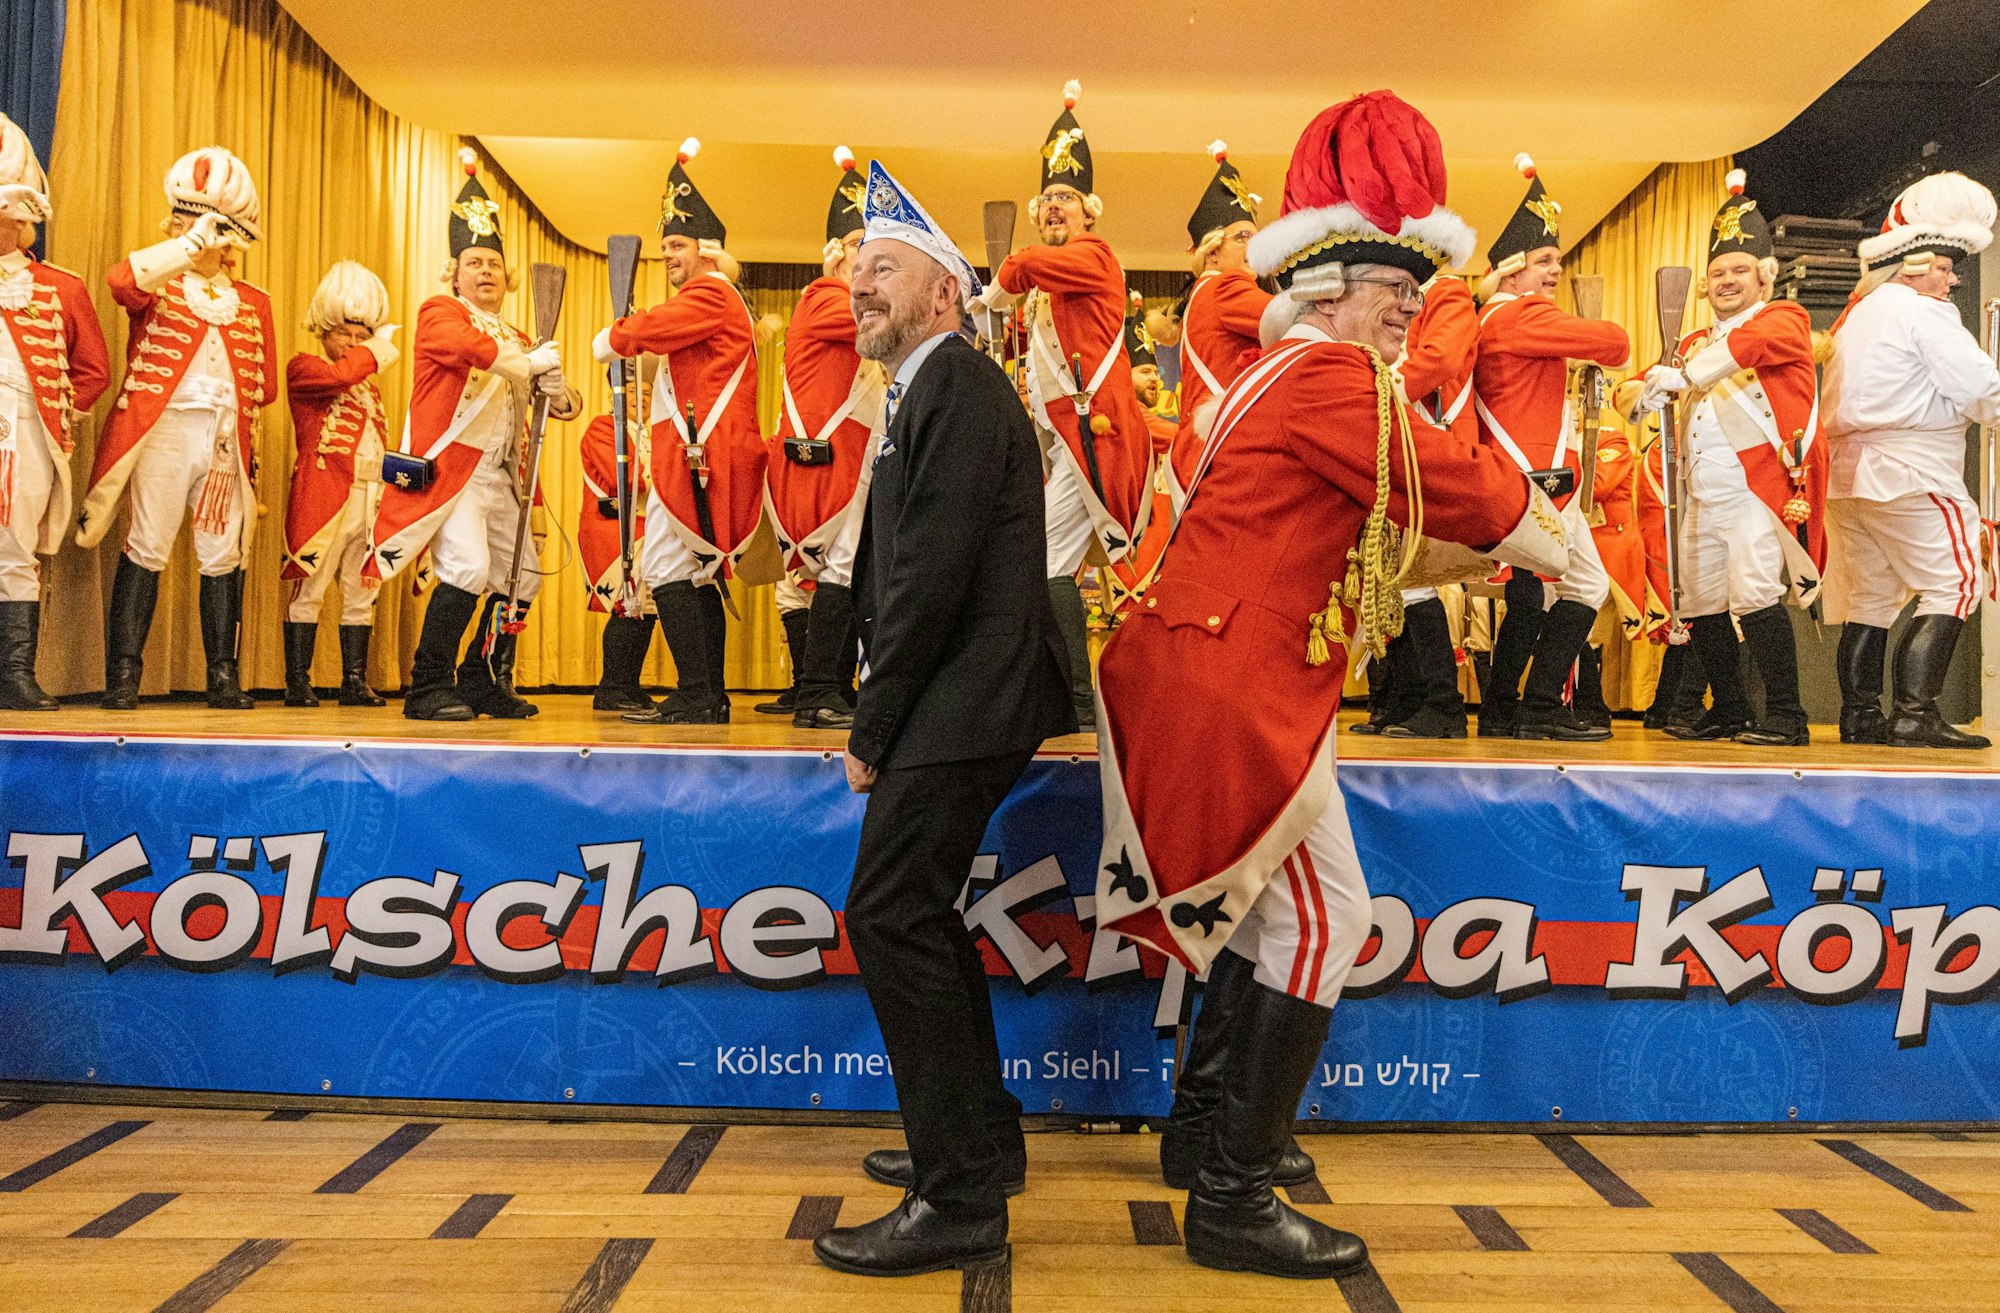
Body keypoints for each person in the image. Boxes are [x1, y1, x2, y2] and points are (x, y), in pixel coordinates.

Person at [1096, 92, 1566, 1280]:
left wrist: (1500, 539)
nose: (1410, 305)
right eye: (1390, 284)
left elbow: (1381, 534)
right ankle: (1232, 1195)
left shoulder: (1269, 377)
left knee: (1256, 911)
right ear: (1320, 286)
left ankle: (1202, 1134)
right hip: (1234, 679)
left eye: (1415, 286)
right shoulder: (1329, 381)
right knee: (1321, 917)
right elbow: (1455, 487)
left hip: (1211, 666)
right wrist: (1560, 542)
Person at [811, 162, 1074, 1279]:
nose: (861, 286)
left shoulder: (956, 385)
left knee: (888, 914)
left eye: (885, 270)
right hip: (962, 698)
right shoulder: (928, 387)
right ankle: (984, 1140)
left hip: (961, 701)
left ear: (941, 297)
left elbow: (928, 575)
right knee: (913, 910)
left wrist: (872, 727)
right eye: (857, 269)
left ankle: (959, 1192)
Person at [368, 150, 578, 720]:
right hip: (453, 472)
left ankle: (479, 677)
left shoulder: (516, 334)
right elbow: (464, 349)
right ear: (455, 273)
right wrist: (527, 363)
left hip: (503, 476)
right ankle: (427, 685)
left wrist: (557, 389)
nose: (485, 271)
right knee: (464, 569)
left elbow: (562, 407)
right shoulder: (440, 311)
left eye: (492, 263)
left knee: (523, 577)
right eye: (474, 262)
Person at [1633, 170, 1828, 745]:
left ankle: (1788, 718)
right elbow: (1641, 385)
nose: (1726, 281)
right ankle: (1732, 709)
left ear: (1764, 278)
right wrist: (1642, 390)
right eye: (1717, 273)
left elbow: (1746, 348)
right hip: (1703, 492)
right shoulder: (1691, 342)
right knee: (1700, 600)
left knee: (1754, 596)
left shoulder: (1782, 319)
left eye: (1739, 271)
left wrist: (1683, 374)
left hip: (1756, 490)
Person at [980, 81, 1152, 730]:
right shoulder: (1046, 289)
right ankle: (1073, 699)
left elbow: (1024, 267)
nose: (1055, 208)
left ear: (1089, 215)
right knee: (1046, 562)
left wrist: (997, 288)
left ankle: (1081, 700)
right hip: (1071, 452)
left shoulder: (1094, 259)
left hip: (1101, 443)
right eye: (1048, 199)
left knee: (1079, 563)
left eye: (1067, 200)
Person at [78, 146, 276, 711]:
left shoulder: (254, 302)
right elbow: (120, 283)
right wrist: (185, 249)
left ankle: (222, 677)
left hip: (222, 439)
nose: (199, 231)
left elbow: (265, 389)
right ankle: (123, 678)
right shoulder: (158, 282)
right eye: (188, 220)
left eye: (209, 223)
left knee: (221, 555)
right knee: (147, 544)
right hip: (163, 430)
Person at [1823, 171, 2000, 748]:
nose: (1952, 280)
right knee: (1957, 580)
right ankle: (1915, 715)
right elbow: (1979, 386)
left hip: (1849, 476)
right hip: (1911, 468)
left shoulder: (1858, 315)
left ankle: (1860, 716)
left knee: (1871, 597)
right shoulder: (1922, 312)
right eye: (1946, 267)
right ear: (1913, 264)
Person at [593, 138, 765, 726]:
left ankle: (697, 690)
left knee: (666, 566)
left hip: (703, 454)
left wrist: (615, 336)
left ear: (707, 252)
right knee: (694, 570)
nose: (667, 255)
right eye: (664, 245)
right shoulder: (714, 297)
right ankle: (707, 693)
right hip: (701, 451)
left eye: (677, 245)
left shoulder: (710, 293)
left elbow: (653, 326)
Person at [1472, 155, 1631, 740]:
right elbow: (1615, 342)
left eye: (1557, 262)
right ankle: (1539, 705)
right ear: (1512, 272)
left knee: (1531, 596)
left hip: (1518, 477)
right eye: (1543, 261)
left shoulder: (1490, 319)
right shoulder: (1523, 314)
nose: (1555, 271)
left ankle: (1502, 709)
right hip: (1539, 483)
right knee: (1580, 587)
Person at [769, 147, 886, 730]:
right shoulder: (823, 298)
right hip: (826, 466)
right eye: (857, 246)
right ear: (836, 254)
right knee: (838, 570)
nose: (866, 259)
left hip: (853, 464)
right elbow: (880, 327)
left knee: (850, 570)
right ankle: (817, 691)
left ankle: (830, 688)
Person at [0, 114, 110, 710]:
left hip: (26, 433)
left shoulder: (61, 288)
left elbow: (93, 370)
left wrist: (57, 417)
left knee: (16, 550)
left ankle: (15, 675)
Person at [1365, 272, 1484, 739]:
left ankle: (1444, 705)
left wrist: (1373, 389)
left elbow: (1441, 359)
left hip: (1427, 445)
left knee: (1415, 584)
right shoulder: (1392, 292)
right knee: (1392, 578)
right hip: (1396, 438)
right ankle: (1406, 699)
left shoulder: (1447, 290)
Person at [281, 260, 399, 708]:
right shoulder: (304, 367)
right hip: (325, 494)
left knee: (361, 590)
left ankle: (354, 681)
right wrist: (375, 351)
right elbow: (340, 375)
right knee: (310, 587)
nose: (352, 343)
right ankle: (298, 681)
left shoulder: (371, 389)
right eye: (344, 334)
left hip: (371, 496)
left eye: (361, 336)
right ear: (324, 331)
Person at [1169, 141, 1269, 514]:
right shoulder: (1227, 285)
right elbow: (1291, 323)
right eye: (1242, 237)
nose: (1253, 246)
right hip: (1223, 456)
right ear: (1212, 252)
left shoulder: (1200, 294)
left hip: (1197, 453)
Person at [578, 359, 657, 712]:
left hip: (647, 528)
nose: (641, 399)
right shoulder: (602, 427)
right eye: (634, 393)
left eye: (647, 393)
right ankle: (611, 686)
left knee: (647, 608)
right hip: (617, 529)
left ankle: (628, 683)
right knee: (627, 606)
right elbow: (624, 479)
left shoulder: (656, 434)